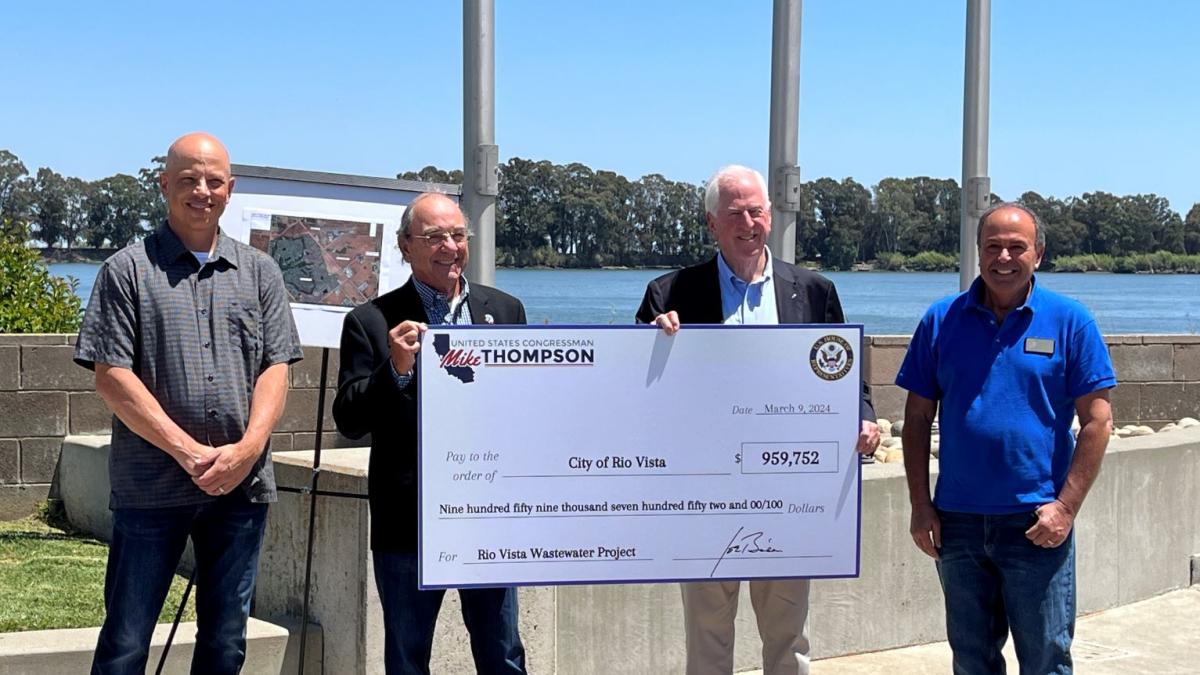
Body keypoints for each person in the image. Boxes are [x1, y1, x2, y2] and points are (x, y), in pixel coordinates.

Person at [636, 165, 880, 675]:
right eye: (735, 213)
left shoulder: (815, 291)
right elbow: (636, 390)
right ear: (711, 223)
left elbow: (845, 371)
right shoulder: (670, 294)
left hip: (789, 490)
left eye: (757, 210)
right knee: (707, 638)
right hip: (704, 490)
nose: (748, 221)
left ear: (771, 214)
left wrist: (862, 418)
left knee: (789, 638)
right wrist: (649, 342)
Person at [74, 132, 303, 674]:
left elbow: (276, 368)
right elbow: (112, 376)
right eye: (187, 180)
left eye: (213, 180)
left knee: (226, 642)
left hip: (240, 490)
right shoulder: (127, 270)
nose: (201, 190)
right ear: (164, 186)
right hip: (150, 488)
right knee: (126, 641)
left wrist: (247, 450)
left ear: (231, 188)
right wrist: (187, 452)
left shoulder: (261, 272)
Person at [895, 203, 1116, 674]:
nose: (1003, 257)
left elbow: (1097, 423)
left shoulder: (1071, 321)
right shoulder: (940, 320)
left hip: (1037, 522)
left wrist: (1066, 508)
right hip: (957, 524)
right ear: (977, 252)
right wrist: (920, 504)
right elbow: (915, 420)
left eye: (1017, 247)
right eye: (992, 246)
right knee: (973, 660)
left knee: (1045, 660)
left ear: (1038, 253)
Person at [333, 192, 527, 674]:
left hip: (489, 515)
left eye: (458, 235)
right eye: (434, 237)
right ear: (405, 246)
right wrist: (394, 370)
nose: (450, 246)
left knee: (503, 653)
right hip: (409, 523)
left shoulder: (504, 311)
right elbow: (349, 419)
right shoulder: (370, 322)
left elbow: (530, 405)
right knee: (406, 657)